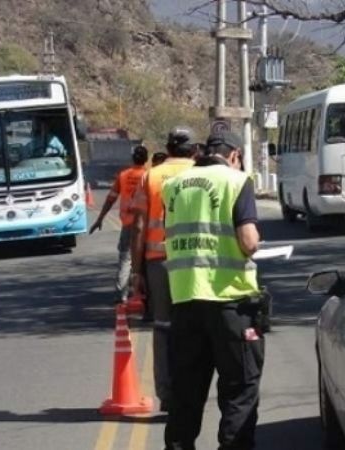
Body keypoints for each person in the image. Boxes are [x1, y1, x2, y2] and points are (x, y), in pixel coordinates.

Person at [162, 130, 263, 450]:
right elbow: (248, 241)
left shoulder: (173, 185)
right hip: (229, 300)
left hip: (185, 299)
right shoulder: (236, 181)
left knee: (186, 391)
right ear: (235, 155)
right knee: (240, 388)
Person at [130, 126, 197, 412]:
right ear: (194, 150)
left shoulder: (150, 176)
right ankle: (193, 391)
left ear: (167, 149)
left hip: (158, 261)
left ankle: (168, 395)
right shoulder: (201, 173)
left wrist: (136, 271)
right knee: (196, 327)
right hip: (195, 260)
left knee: (163, 327)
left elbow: (139, 226)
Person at [89, 145, 149, 303]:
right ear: (146, 159)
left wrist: (100, 218)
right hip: (146, 223)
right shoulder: (149, 175)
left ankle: (122, 295)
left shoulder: (124, 175)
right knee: (146, 258)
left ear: (132, 158)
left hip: (128, 223)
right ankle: (146, 294)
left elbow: (111, 198)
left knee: (125, 259)